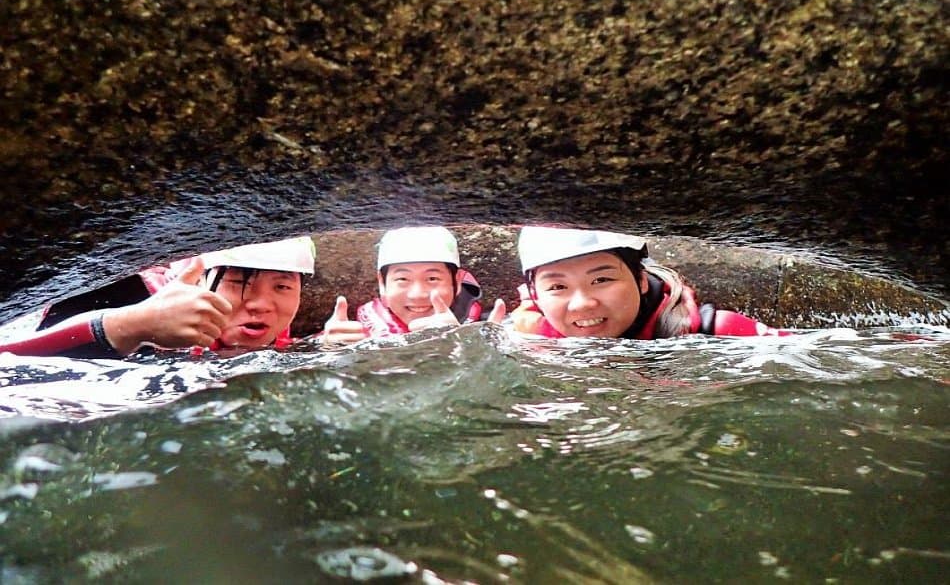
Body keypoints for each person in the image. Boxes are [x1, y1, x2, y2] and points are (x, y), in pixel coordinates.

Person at [0, 236, 316, 358]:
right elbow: (9, 359)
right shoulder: (123, 291)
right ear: (198, 278)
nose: (261, 303)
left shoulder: (277, 331)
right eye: (238, 282)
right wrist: (135, 324)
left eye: (282, 287)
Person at [511, 226, 789, 339]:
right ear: (534, 295)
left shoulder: (719, 332)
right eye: (558, 287)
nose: (583, 302)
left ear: (641, 280)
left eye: (602, 279)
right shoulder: (523, 339)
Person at [321, 226, 505, 344]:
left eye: (432, 279)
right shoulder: (353, 335)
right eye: (402, 279)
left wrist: (471, 348)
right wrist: (331, 353)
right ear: (382, 284)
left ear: (456, 281)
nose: (417, 294)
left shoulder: (486, 329)